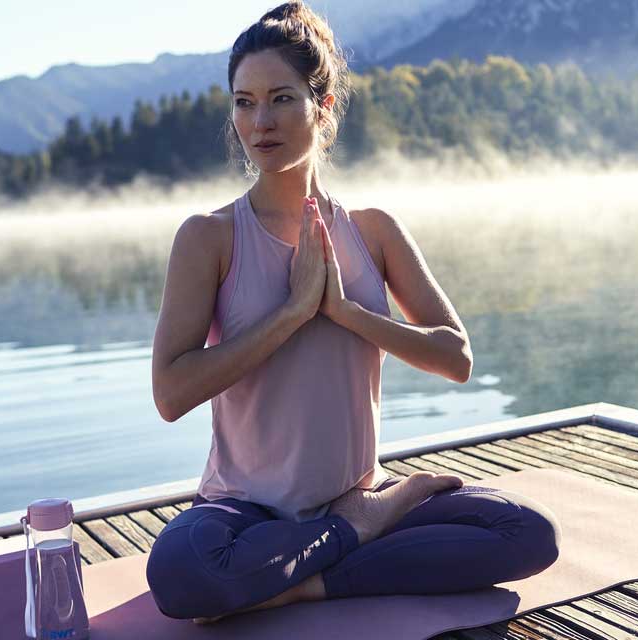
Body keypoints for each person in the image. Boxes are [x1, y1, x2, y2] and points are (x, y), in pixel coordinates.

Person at [145, 1, 561, 624]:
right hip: (245, 513)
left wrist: (344, 311)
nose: (260, 121)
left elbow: (457, 356)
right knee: (182, 572)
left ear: (324, 104)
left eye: (282, 98)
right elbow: (171, 393)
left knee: (526, 532)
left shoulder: (374, 231)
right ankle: (355, 538)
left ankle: (309, 566)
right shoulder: (209, 237)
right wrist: (289, 314)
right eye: (244, 102)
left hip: (354, 494)